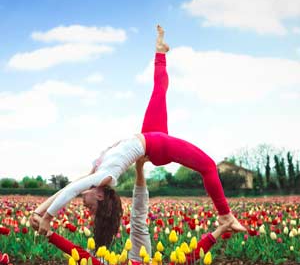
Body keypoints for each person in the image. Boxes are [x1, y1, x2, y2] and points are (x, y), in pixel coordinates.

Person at [33, 25, 246, 242]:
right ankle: (224, 215)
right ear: (99, 195)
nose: (83, 204)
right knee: (209, 166)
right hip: (156, 145)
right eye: (90, 207)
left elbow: (68, 189)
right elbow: (70, 191)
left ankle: (160, 51)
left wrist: (39, 212)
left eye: (87, 207)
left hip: (151, 140)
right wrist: (48, 218)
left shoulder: (96, 175)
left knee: (158, 91)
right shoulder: (104, 177)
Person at [33, 156, 233, 265]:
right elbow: (191, 256)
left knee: (134, 225)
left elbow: (80, 253)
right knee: (139, 221)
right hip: (143, 258)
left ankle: (139, 167)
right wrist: (220, 229)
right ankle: (140, 167)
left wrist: (50, 235)